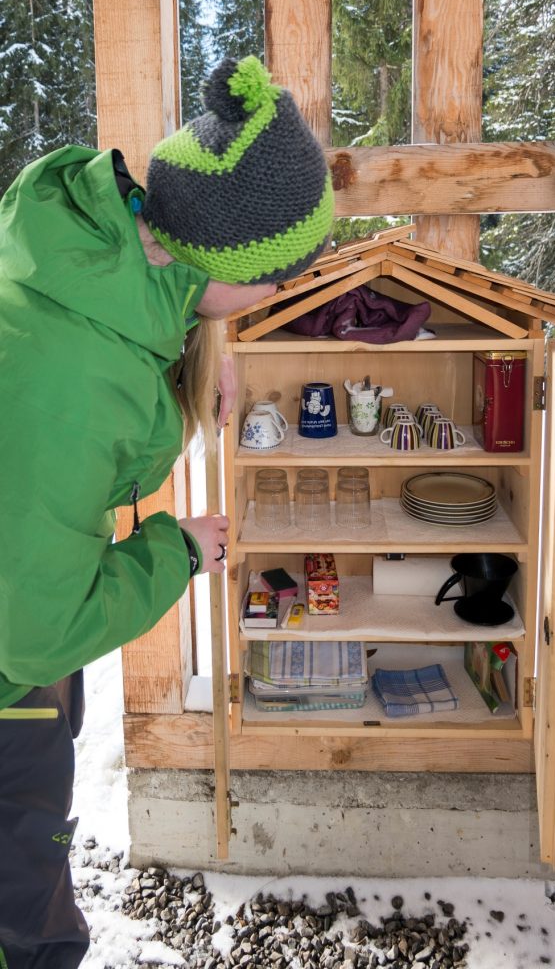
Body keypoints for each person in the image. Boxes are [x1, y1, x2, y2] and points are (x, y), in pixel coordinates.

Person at [0, 54, 334, 969]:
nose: (276, 300)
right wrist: (174, 552)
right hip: (7, 675)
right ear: (227, 265)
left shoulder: (80, 260)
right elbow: (38, 632)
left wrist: (192, 341)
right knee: (23, 923)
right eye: (275, 284)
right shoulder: (68, 385)